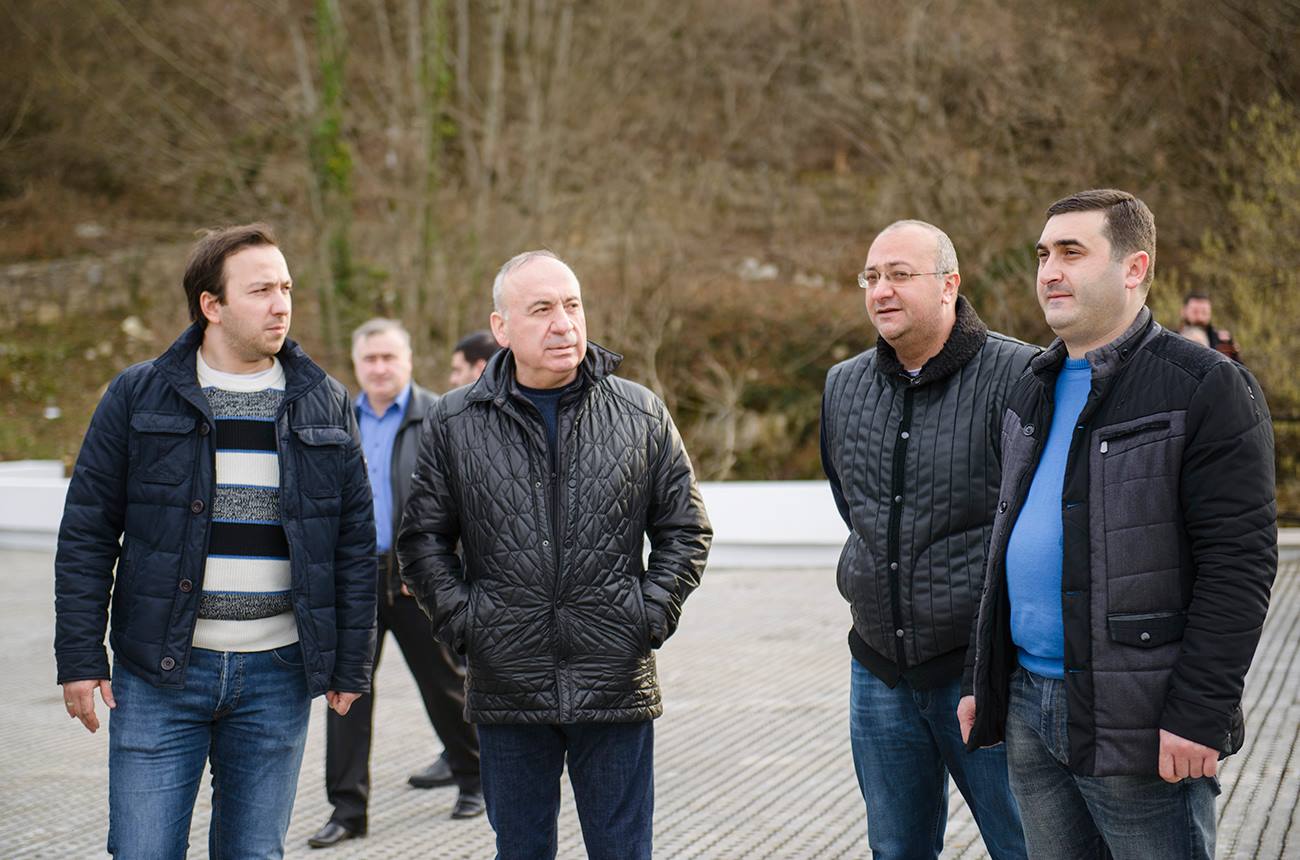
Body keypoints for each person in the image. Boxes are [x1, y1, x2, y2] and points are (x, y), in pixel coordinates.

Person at [960, 189, 1277, 858]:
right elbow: (1003, 545)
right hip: (1027, 707)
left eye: (1072, 252)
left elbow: (1239, 566)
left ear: (1135, 268)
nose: (1050, 271)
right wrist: (981, 680)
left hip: (1142, 721)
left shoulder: (1205, 385)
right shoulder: (1030, 387)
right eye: (1042, 255)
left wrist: (1200, 713)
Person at [54, 223, 377, 858]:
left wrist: (350, 662)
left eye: (286, 288)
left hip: (278, 676)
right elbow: (88, 532)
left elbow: (353, 545)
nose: (281, 305)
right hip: (159, 675)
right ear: (212, 304)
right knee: (143, 850)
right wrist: (81, 657)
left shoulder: (325, 401)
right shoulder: (137, 394)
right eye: (261, 290)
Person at [397, 250, 712, 860]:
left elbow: (686, 527)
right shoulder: (454, 421)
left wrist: (647, 615)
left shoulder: (640, 412)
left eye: (572, 305)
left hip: (614, 679)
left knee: (623, 852)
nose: (564, 323)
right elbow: (423, 540)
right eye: (541, 309)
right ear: (501, 328)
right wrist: (468, 625)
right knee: (520, 851)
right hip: (507, 683)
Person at [820, 220, 1035, 859]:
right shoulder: (842, 385)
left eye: (900, 274)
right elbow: (854, 508)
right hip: (879, 671)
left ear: (949, 285)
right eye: (871, 277)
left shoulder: (1020, 374)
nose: (881, 290)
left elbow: (1030, 519)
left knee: (1024, 847)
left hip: (986, 673)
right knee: (895, 851)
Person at [308, 319, 483, 850]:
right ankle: (347, 810)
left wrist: (441, 569)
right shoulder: (337, 418)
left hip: (417, 576)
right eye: (370, 359)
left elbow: (470, 503)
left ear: (408, 360)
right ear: (356, 364)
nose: (380, 368)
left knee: (445, 684)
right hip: (355, 577)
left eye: (389, 357)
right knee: (346, 695)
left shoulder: (441, 416)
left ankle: (475, 780)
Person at [1179, 291, 1242, 361]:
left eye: (1204, 312)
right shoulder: (1173, 338)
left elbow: (1237, 366)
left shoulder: (1223, 341)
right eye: (1195, 312)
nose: (1200, 316)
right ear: (1183, 311)